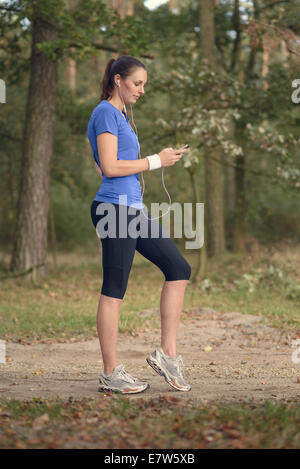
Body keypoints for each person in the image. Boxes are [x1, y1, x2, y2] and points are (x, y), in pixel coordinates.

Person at [87, 55, 192, 394]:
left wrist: (159, 160)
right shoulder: (105, 112)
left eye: (144, 84)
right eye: (137, 83)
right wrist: (154, 161)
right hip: (114, 209)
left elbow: (116, 164)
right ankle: (110, 373)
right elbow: (109, 167)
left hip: (132, 210)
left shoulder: (120, 116)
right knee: (114, 289)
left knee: (178, 268)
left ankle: (167, 355)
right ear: (118, 80)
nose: (142, 90)